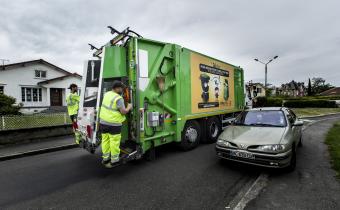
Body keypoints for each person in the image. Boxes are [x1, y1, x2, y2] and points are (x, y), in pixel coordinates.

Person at [99, 81, 132, 168]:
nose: (122, 90)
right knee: (114, 142)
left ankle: (105, 158)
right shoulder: (118, 98)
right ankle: (114, 160)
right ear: (117, 88)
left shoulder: (107, 94)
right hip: (113, 124)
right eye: (121, 88)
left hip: (103, 122)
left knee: (105, 141)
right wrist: (129, 107)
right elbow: (123, 112)